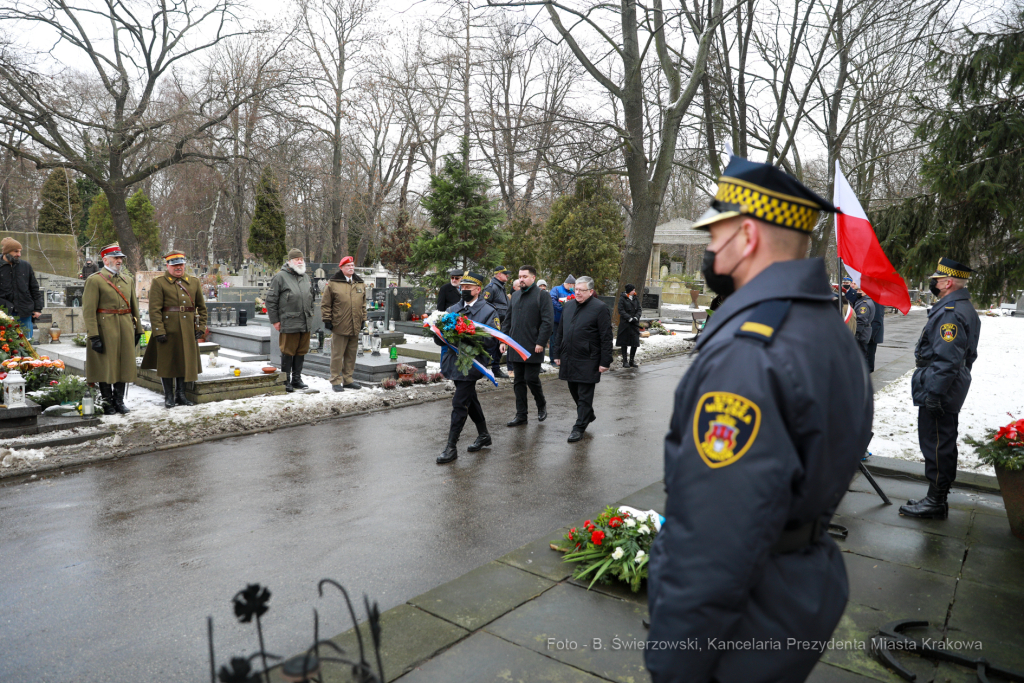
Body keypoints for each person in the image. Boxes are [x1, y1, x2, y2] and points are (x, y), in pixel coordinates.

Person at [645, 155, 872, 683]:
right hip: (798, 590)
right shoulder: (824, 326)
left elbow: (714, 538)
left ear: (746, 237)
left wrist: (673, 665)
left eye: (713, 235)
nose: (707, 248)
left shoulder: (751, 353)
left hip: (748, 617)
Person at [899, 258, 981, 520]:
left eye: (936, 280)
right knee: (941, 440)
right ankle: (936, 497)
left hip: (941, 386)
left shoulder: (951, 313)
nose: (933, 283)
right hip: (945, 383)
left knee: (936, 443)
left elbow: (948, 360)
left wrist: (934, 393)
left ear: (947, 282)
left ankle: (935, 501)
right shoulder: (958, 307)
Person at [434, 271, 501, 465]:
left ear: (478, 290)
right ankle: (484, 435)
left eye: (468, 288)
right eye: (462, 287)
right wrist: (436, 332)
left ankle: (451, 447)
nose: (463, 290)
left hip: (472, 364)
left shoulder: (489, 311)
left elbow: (490, 341)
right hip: (454, 362)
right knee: (469, 398)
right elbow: (442, 339)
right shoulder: (453, 308)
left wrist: (467, 332)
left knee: (459, 403)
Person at [140, 251, 208, 409]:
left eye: (181, 264)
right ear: (168, 265)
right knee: (167, 363)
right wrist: (159, 330)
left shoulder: (193, 282)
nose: (178, 267)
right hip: (168, 329)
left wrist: (201, 327)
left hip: (188, 329)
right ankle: (169, 396)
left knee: (185, 362)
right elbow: (155, 309)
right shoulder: (160, 282)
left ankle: (181, 395)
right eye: (175, 265)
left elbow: (202, 308)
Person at [82, 243, 142, 415]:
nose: (119, 261)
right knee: (106, 365)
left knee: (124, 364)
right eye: (115, 258)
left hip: (124, 325)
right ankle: (107, 401)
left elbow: (134, 307)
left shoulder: (127, 280)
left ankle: (119, 400)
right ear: (105, 260)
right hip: (105, 328)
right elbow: (88, 311)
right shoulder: (95, 280)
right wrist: (94, 336)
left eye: (120, 258)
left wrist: (138, 329)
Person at [553, 276, 613, 443]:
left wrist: (605, 361)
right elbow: (560, 332)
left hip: (589, 358)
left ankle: (579, 427)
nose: (577, 293)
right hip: (569, 356)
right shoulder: (569, 306)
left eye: (581, 290)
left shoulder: (600, 308)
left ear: (591, 291)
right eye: (576, 290)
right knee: (574, 390)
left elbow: (606, 337)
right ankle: (588, 413)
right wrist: (556, 354)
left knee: (584, 394)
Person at [501, 265, 553, 427]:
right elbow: (508, 320)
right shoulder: (515, 295)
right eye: (520, 276)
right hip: (515, 345)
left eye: (524, 276)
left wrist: (541, 342)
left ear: (533, 278)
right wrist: (503, 340)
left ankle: (541, 404)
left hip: (533, 346)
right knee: (518, 381)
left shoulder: (542, 295)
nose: (521, 279)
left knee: (531, 378)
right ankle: (521, 415)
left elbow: (547, 321)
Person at [266, 248, 315, 393]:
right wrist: (275, 320)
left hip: (305, 321)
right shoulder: (280, 277)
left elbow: (311, 297)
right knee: (288, 351)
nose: (300, 261)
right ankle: (285, 380)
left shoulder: (305, 277)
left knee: (301, 350)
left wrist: (311, 313)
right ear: (290, 261)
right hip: (289, 321)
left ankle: (297, 379)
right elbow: (270, 300)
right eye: (296, 259)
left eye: (301, 259)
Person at [321, 255, 367, 392]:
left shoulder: (360, 283)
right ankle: (335, 380)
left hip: (355, 324)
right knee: (337, 354)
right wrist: (327, 320)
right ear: (341, 268)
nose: (351, 268)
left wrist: (363, 319)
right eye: (348, 266)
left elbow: (363, 304)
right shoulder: (333, 283)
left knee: (351, 354)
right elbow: (326, 304)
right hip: (340, 324)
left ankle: (348, 379)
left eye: (352, 265)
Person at [0, 237, 43, 340]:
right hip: (3, 312)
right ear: (6, 252)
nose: (19, 254)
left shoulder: (25, 266)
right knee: (6, 346)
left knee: (27, 344)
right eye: (16, 251)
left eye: (19, 251)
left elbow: (34, 288)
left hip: (24, 311)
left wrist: (37, 308)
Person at [483, 266, 510, 378]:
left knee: (499, 347)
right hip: (493, 323)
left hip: (502, 323)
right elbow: (484, 304)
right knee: (489, 346)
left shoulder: (501, 287)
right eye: (505, 273)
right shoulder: (491, 287)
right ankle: (483, 369)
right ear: (498, 274)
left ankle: (496, 369)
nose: (507, 275)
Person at [845, 280, 876, 362]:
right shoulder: (864, 301)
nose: (857, 292)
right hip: (863, 333)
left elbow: (861, 320)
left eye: (859, 290)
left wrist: (855, 333)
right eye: (857, 290)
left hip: (861, 335)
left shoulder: (864, 303)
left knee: (861, 357)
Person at [549, 275, 575, 362]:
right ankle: (553, 359)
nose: (573, 287)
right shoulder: (556, 289)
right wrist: (563, 308)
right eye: (573, 285)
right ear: (569, 284)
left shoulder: (573, 292)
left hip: (568, 321)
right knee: (555, 340)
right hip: (556, 319)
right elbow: (552, 300)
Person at [616, 284, 642, 367]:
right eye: (633, 290)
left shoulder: (635, 298)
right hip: (625, 324)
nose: (634, 291)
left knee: (634, 342)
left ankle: (632, 360)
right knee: (624, 342)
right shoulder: (622, 299)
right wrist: (629, 318)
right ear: (629, 291)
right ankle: (625, 361)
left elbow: (639, 309)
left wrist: (636, 317)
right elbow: (621, 310)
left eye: (634, 290)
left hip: (634, 324)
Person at [867, 294, 886, 373]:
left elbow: (877, 320)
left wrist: (870, 336)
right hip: (869, 334)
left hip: (871, 336)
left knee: (869, 359)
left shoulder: (876, 300)